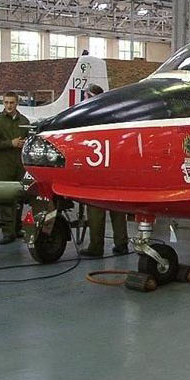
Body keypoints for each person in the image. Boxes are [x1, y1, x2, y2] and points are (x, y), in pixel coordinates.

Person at [78, 83, 130, 257]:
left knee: (95, 208)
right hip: (116, 169)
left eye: (86, 96)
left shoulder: (88, 118)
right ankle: (121, 243)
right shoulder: (116, 116)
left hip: (96, 169)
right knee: (117, 208)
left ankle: (96, 246)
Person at [0, 91, 30, 244]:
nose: (9, 106)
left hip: (19, 165)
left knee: (19, 196)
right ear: (3, 103)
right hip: (3, 164)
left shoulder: (24, 121)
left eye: (12, 103)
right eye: (6, 102)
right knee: (5, 197)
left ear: (17, 103)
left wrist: (25, 144)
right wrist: (10, 143)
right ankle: (7, 231)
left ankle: (17, 228)